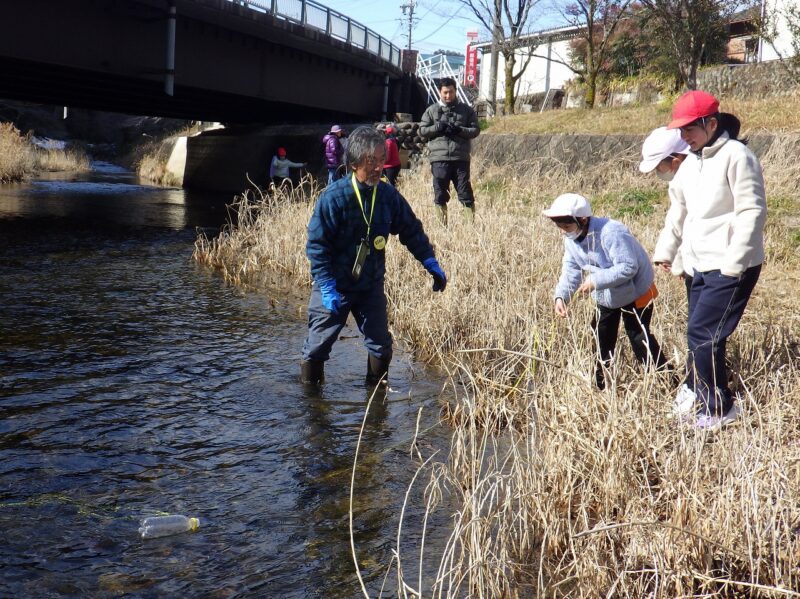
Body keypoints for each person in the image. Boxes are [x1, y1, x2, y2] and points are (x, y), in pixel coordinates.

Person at [653, 90, 767, 431]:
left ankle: (719, 407)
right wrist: (666, 251)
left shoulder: (737, 155)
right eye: (681, 129)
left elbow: (752, 211)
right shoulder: (691, 164)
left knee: (703, 333)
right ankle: (699, 391)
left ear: (711, 123)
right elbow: (679, 211)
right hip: (699, 263)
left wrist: (735, 262)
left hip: (732, 263)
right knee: (702, 334)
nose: (683, 135)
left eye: (690, 128)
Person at [301, 126, 447, 387]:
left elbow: (410, 229)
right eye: (372, 161)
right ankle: (313, 412)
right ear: (355, 162)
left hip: (370, 286)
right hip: (335, 285)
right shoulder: (333, 198)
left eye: (382, 160)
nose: (379, 167)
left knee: (381, 346)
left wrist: (429, 261)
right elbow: (317, 245)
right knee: (316, 348)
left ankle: (376, 410)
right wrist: (325, 286)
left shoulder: (388, 195)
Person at [545, 193, 669, 391]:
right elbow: (571, 270)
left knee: (639, 338)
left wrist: (595, 280)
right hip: (606, 294)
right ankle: (602, 385)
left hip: (637, 291)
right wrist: (562, 296)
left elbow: (628, 267)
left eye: (566, 227)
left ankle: (666, 381)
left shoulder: (611, 232)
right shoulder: (571, 239)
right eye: (559, 227)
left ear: (583, 220)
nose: (563, 232)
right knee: (600, 335)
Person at [419, 77, 480, 225]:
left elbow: (475, 130)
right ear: (440, 92)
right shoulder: (431, 111)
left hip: (460, 158)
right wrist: (437, 128)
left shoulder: (466, 110)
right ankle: (442, 227)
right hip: (439, 159)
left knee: (465, 192)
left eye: (451, 92)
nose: (448, 96)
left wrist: (460, 130)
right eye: (445, 92)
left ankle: (470, 228)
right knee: (440, 193)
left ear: (455, 91)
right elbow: (422, 130)